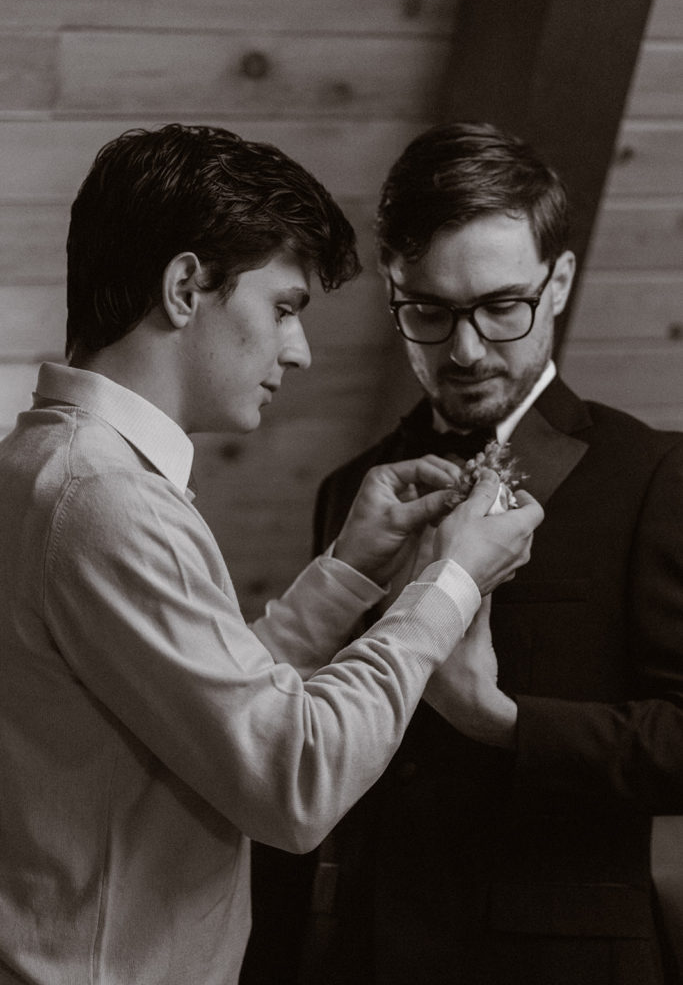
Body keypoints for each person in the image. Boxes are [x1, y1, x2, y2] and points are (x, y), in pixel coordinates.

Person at [0, 123, 543, 985]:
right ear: (185, 286)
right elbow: (292, 779)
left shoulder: (48, 467)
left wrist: (347, 573)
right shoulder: (103, 500)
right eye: (285, 307)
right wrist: (449, 581)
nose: (299, 349)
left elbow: (204, 711)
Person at [243, 122, 683, 985]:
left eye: (500, 306)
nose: (467, 349)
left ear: (556, 284)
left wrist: (504, 723)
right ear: (395, 298)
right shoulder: (350, 489)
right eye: (431, 312)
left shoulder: (656, 474)